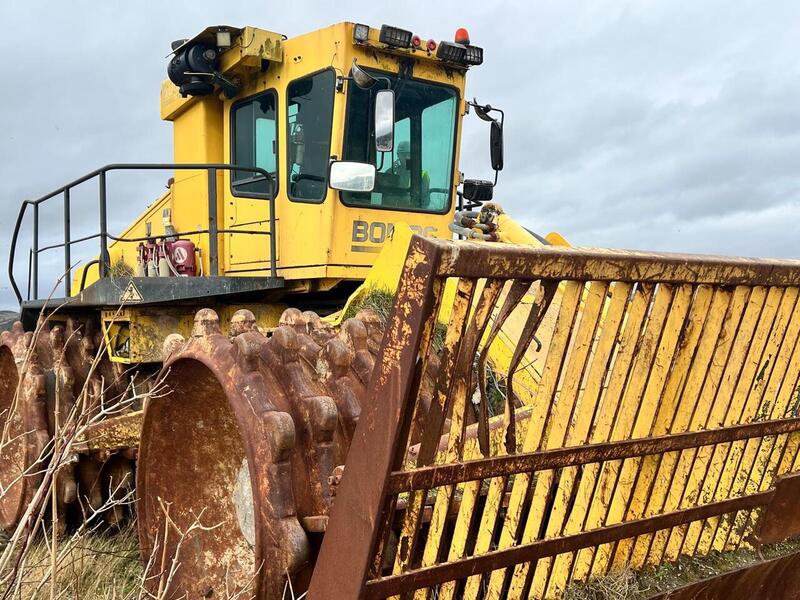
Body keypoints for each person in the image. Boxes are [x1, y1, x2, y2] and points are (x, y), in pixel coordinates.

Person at [382, 140, 430, 208]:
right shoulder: (390, 172)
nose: (406, 157)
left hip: (412, 213)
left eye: (409, 154)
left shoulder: (422, 175)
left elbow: (424, 201)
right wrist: (391, 172)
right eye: (403, 155)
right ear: (398, 156)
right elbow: (384, 196)